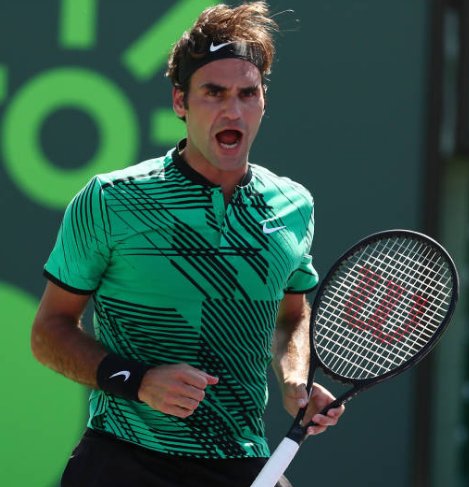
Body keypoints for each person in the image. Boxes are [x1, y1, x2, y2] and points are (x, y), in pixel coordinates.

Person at [31, 2, 344, 486]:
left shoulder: (293, 205)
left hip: (239, 457)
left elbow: (292, 316)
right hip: (124, 459)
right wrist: (139, 382)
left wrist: (295, 380)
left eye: (247, 93)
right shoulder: (110, 200)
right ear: (180, 102)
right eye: (213, 93)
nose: (232, 110)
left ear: (263, 101)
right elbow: (49, 332)